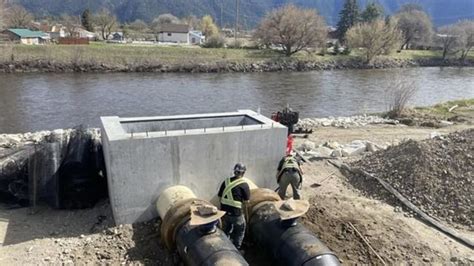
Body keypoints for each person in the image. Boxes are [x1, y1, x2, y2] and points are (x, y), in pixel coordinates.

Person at [217, 163, 250, 250]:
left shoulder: (226, 181)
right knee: (240, 231)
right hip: (236, 214)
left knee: (226, 229)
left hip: (224, 212)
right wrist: (246, 215)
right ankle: (236, 250)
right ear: (243, 173)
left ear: (235, 172)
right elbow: (246, 202)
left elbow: (220, 197)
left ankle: (225, 247)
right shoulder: (244, 184)